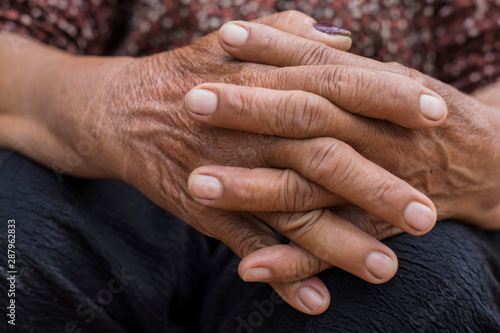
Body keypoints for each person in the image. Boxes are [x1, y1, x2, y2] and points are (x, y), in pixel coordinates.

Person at [0, 1, 499, 332]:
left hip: (385, 191)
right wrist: (122, 100)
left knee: (423, 292)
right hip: (111, 164)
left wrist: (460, 145)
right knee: (18, 258)